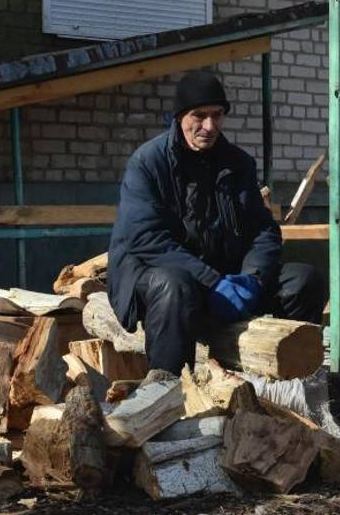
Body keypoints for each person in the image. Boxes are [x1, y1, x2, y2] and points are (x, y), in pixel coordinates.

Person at [107, 70, 325, 375]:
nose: (209, 126)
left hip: (224, 277)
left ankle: (295, 385)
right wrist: (211, 281)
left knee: (303, 280)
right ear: (181, 115)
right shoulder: (148, 163)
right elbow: (146, 239)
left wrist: (252, 278)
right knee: (174, 285)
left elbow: (262, 230)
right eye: (200, 116)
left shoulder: (238, 163)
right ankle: (167, 392)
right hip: (158, 280)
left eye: (217, 116)